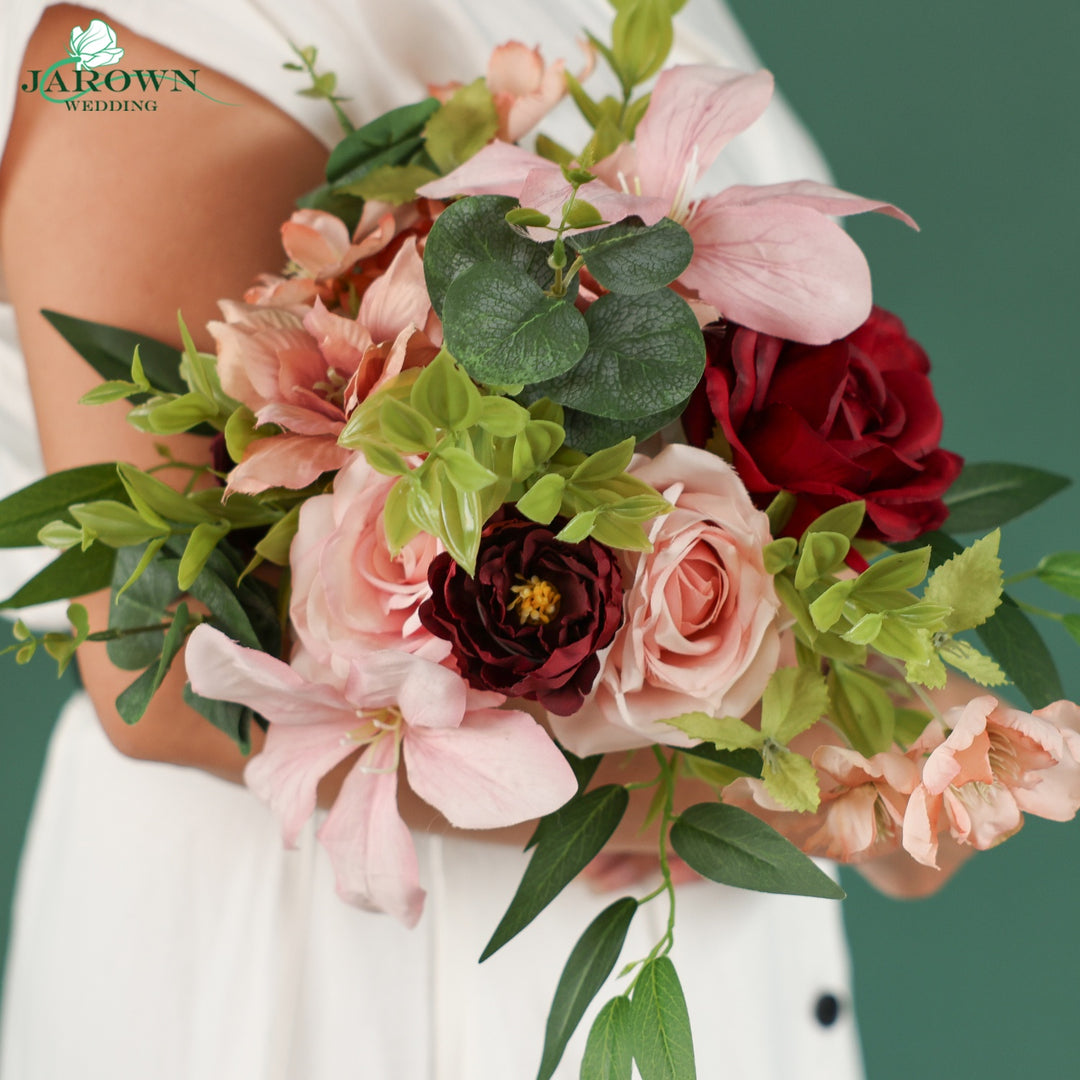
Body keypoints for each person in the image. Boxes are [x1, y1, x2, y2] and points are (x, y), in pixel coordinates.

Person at [0, 3, 960, 1076]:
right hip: (342, 967)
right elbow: (169, 672)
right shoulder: (141, 51)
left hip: (695, 938)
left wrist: (895, 721)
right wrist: (762, 786)